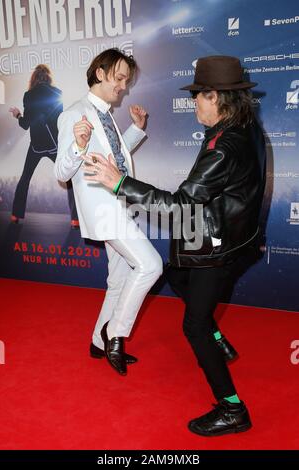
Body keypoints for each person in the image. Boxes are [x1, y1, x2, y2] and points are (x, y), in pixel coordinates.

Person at [82, 55, 267, 436]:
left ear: (216, 97)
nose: (193, 102)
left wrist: (120, 183)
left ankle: (232, 408)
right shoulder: (244, 126)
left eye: (198, 95)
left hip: (218, 247)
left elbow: (180, 204)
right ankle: (219, 339)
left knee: (194, 325)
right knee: (175, 274)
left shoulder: (224, 146)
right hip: (232, 237)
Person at [54, 48, 163, 376]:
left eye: (126, 80)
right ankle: (115, 334)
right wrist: (77, 146)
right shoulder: (74, 114)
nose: (123, 86)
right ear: (99, 73)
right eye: (118, 78)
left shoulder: (105, 114)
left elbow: (111, 155)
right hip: (105, 211)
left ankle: (98, 342)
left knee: (118, 280)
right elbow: (62, 172)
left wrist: (135, 130)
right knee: (150, 265)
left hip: (122, 205)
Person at [9, 64, 78, 228]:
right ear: (48, 77)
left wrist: (17, 114)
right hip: (54, 145)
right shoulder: (57, 93)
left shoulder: (29, 95)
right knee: (69, 179)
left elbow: (25, 124)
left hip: (36, 146)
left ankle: (15, 215)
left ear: (34, 78)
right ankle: (75, 218)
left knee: (25, 178)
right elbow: (60, 121)